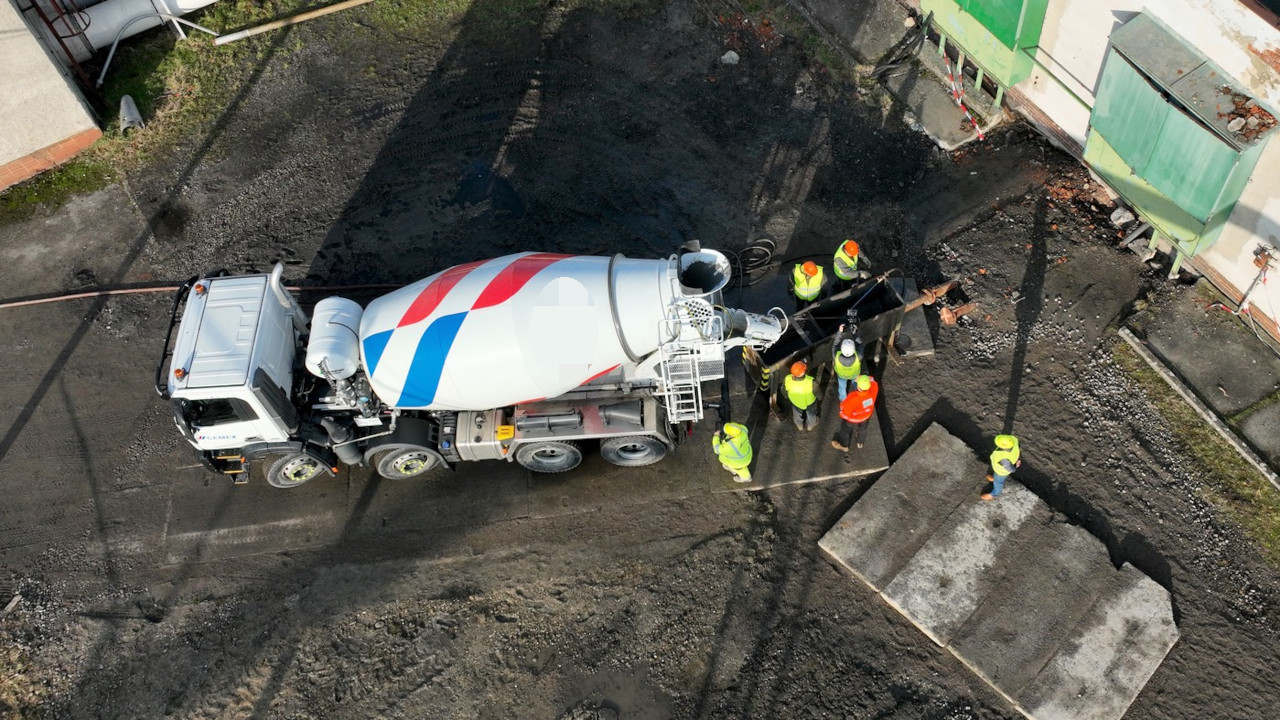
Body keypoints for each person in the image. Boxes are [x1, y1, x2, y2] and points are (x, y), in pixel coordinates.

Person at [832, 374, 878, 453]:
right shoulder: (873, 389)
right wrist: (864, 379)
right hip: (865, 416)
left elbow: (845, 414)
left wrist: (841, 411)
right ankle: (860, 442)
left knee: (845, 430)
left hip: (852, 419)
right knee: (863, 429)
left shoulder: (852, 398)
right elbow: (873, 380)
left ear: (858, 387)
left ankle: (844, 445)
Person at [782, 360, 820, 431]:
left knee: (797, 414)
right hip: (809, 402)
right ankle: (811, 426)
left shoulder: (787, 378)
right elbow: (818, 393)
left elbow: (783, 390)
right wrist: (820, 398)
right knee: (811, 414)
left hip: (796, 402)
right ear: (803, 372)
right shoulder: (811, 381)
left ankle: (799, 425)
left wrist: (786, 396)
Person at [982, 434, 1021, 500]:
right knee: (998, 479)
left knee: (998, 484)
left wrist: (1015, 466)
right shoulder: (1013, 440)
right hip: (1003, 468)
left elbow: (1011, 469)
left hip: (1001, 472)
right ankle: (994, 479)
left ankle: (993, 494)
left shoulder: (1004, 459)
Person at [831, 328, 862, 402]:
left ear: (841, 348)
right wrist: (854, 332)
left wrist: (840, 332)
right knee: (855, 384)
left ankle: (843, 399)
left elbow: (835, 344)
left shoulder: (836, 356)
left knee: (842, 387)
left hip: (841, 375)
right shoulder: (859, 356)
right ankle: (856, 393)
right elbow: (860, 344)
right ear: (854, 349)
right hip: (855, 374)